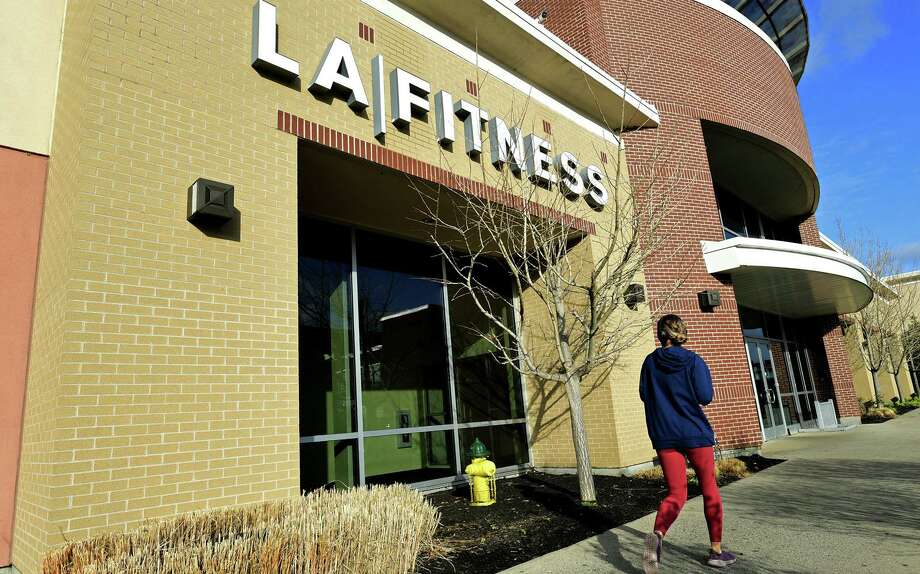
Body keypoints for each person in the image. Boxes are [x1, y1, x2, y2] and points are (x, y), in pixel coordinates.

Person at [639, 314, 736, 572]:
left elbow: (644, 395)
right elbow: (706, 396)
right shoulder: (693, 361)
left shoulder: (649, 363)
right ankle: (716, 551)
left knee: (676, 493)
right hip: (694, 433)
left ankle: (658, 535)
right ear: (681, 332)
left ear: (661, 335)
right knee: (709, 489)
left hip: (664, 434)